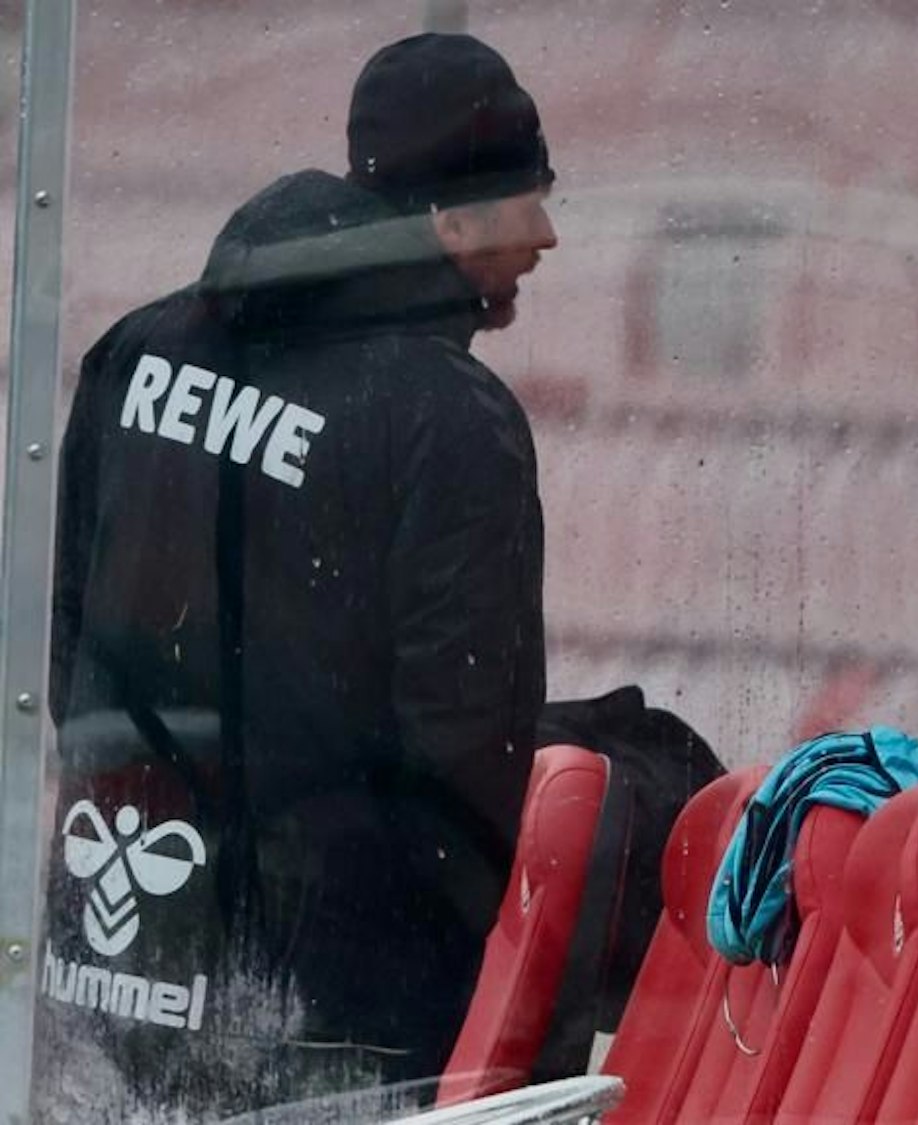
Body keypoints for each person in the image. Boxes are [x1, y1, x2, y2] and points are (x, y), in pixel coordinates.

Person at [40, 34, 557, 1117]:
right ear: (452, 221)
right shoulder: (449, 421)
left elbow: (74, 638)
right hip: (335, 1017)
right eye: (528, 203)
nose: (546, 237)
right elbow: (466, 755)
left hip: (109, 981)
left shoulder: (136, 352)